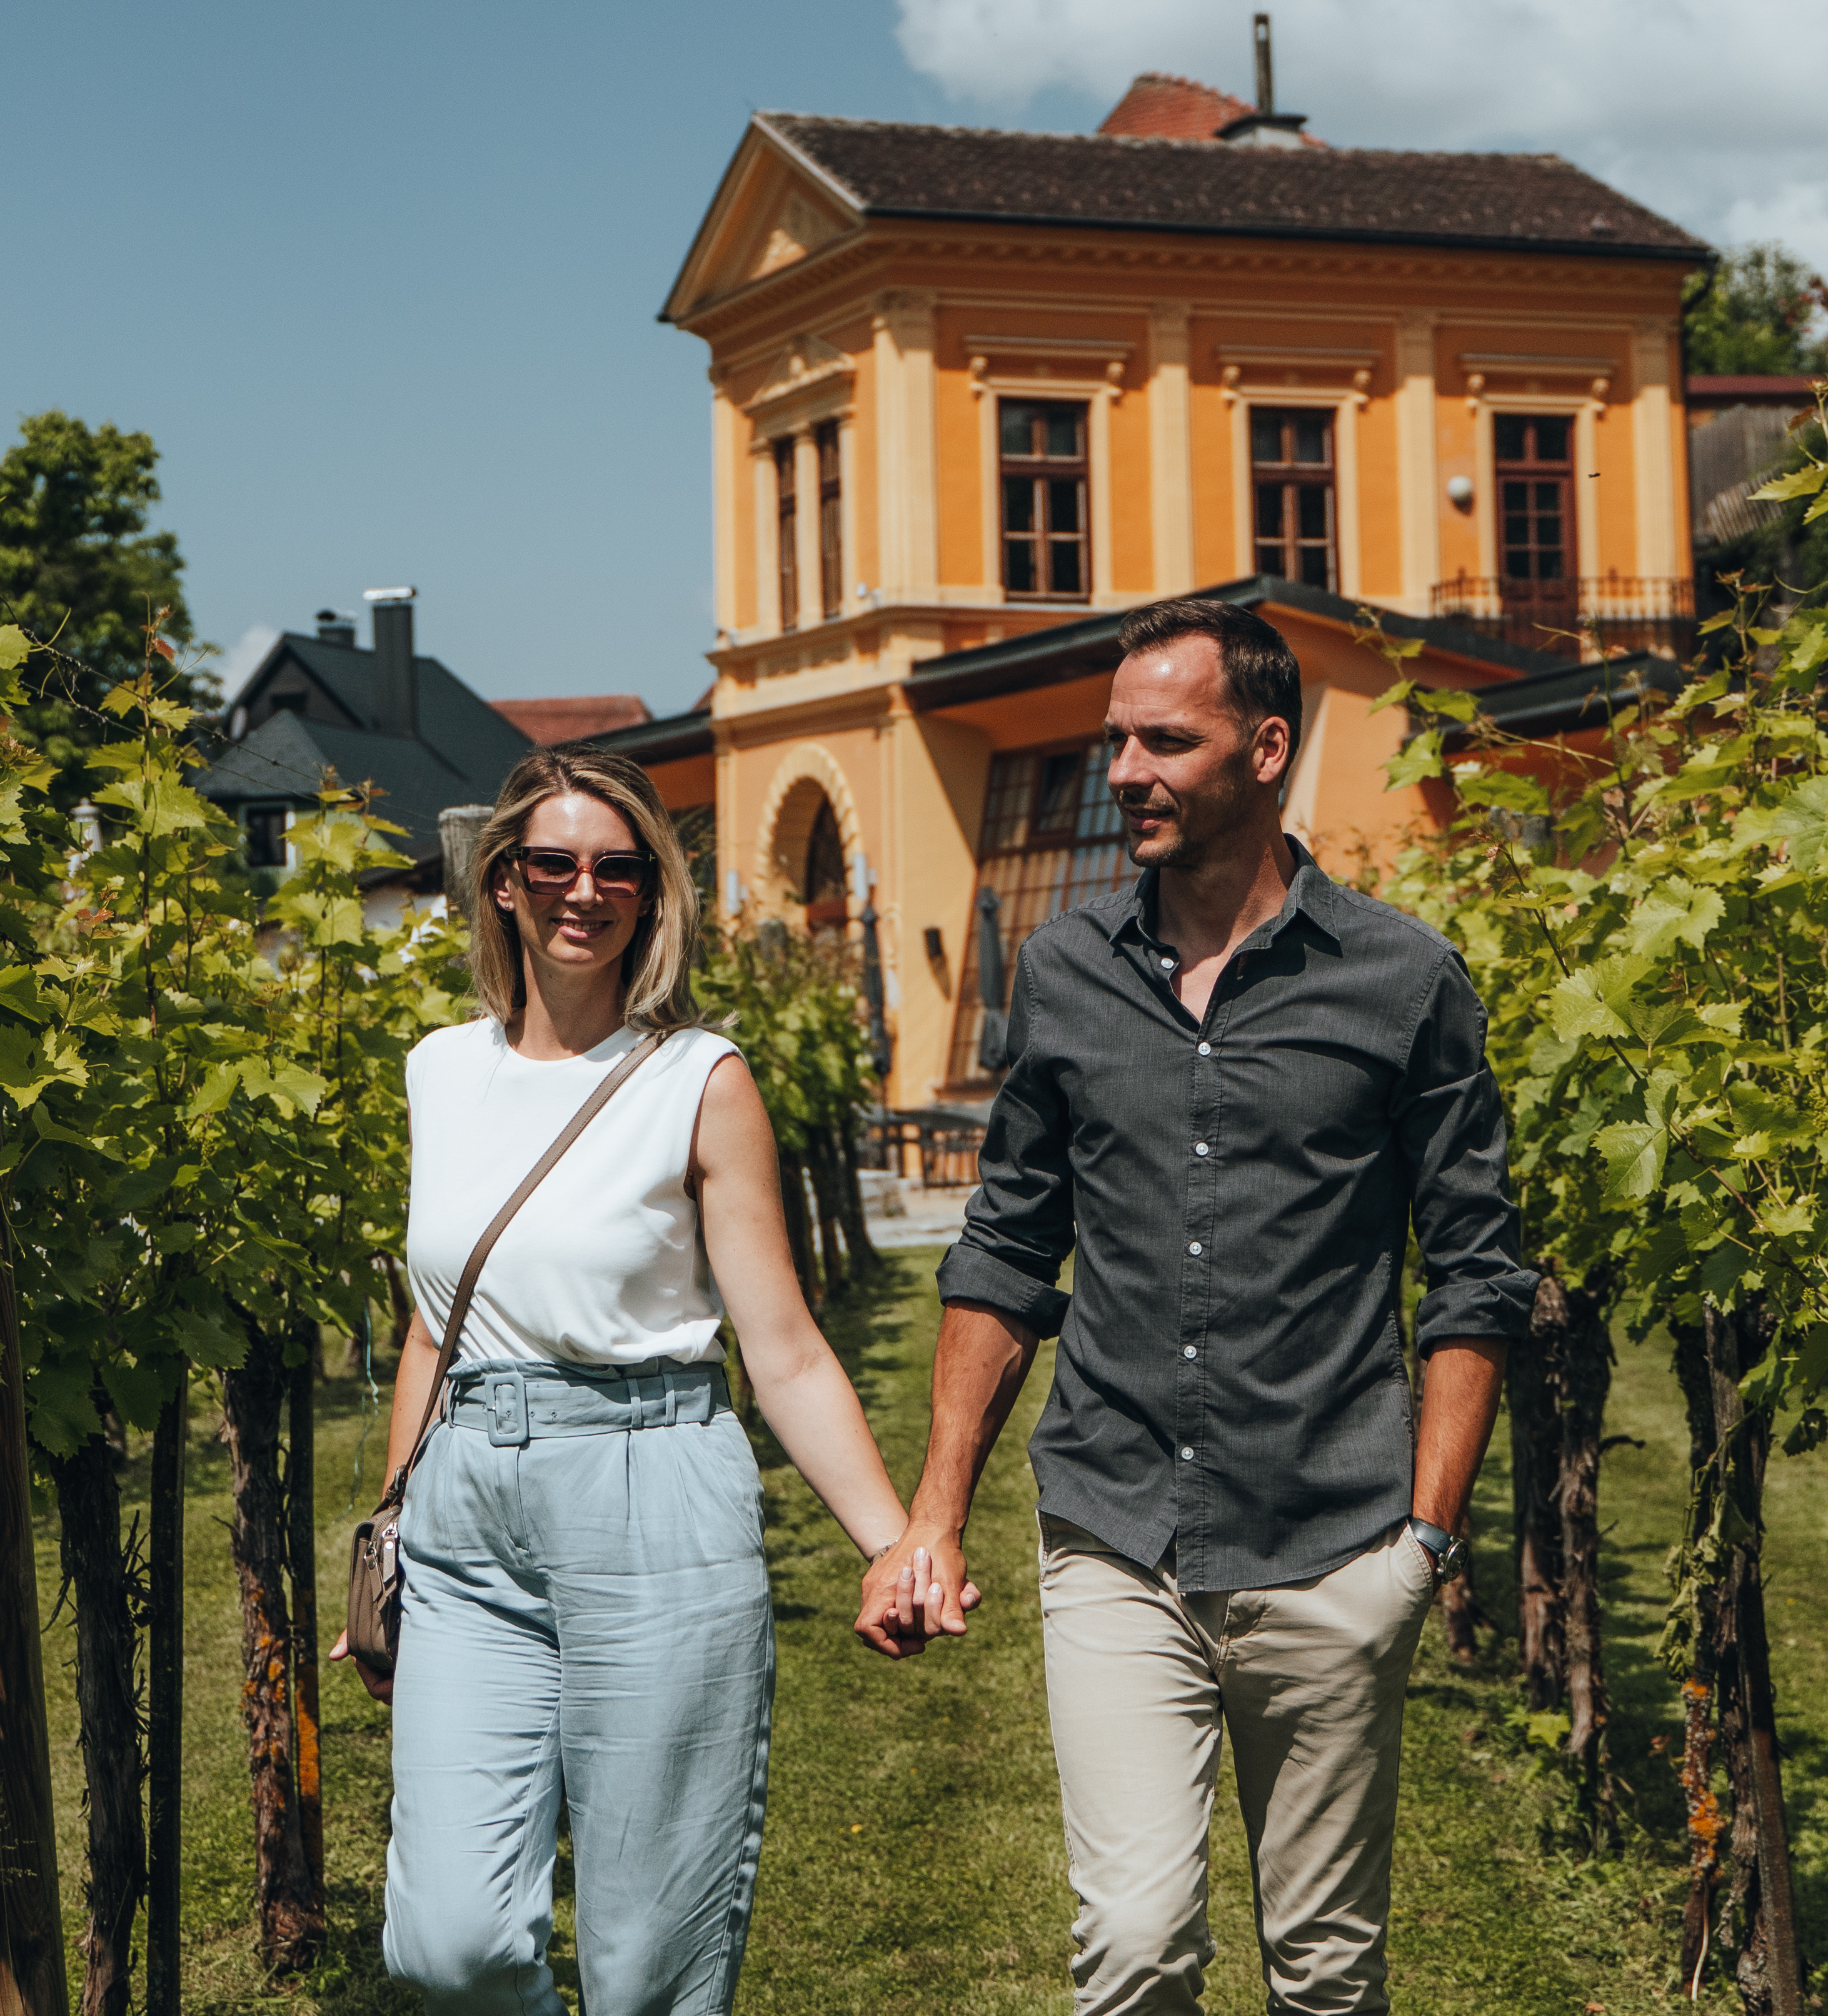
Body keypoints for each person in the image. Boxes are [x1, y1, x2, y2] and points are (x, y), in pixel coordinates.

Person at [860, 597, 1536, 2016]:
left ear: (1267, 749)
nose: (1125, 772)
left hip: (1334, 1541)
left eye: (1166, 740)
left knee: (1328, 1976)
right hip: (1116, 1531)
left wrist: (1424, 1538)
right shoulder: (1064, 973)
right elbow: (1004, 1246)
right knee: (1136, 1945)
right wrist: (932, 1514)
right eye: (1116, 741)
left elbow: (1478, 1268)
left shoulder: (1403, 981)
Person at [351, 747, 925, 2014]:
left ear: (651, 894)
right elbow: (432, 1328)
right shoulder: (440, 1070)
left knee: (647, 1960)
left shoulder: (700, 1080)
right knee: (448, 1945)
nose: (583, 889)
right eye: (551, 862)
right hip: (466, 1517)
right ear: (501, 881)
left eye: (617, 867)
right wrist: (393, 1527)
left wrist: (893, 1542)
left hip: (650, 1483)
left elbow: (779, 1346)